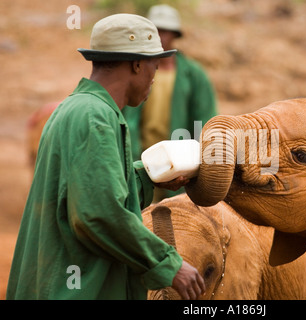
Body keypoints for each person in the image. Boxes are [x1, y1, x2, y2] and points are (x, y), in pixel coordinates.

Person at [7, 14, 205, 300]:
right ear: (137, 64)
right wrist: (169, 264)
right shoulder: (96, 118)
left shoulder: (76, 107)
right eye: (155, 66)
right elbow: (98, 214)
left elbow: (86, 192)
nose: (154, 77)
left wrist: (145, 176)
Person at [122, 4, 217, 202]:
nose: (161, 37)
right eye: (156, 31)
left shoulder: (193, 75)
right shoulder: (134, 71)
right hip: (139, 161)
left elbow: (205, 121)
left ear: (174, 35)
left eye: (166, 31)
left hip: (178, 166)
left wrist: (195, 164)